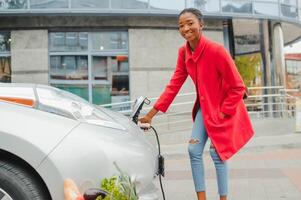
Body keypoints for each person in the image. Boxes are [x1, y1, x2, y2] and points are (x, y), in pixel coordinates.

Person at [139, 8, 254, 200]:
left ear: (201, 24)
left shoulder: (216, 51)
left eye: (190, 23)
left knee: (217, 154)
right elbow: (174, 85)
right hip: (204, 109)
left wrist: (224, 113)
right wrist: (151, 114)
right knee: (193, 150)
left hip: (223, 109)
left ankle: (223, 198)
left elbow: (238, 87)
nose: (185, 28)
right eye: (181, 25)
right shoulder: (183, 52)